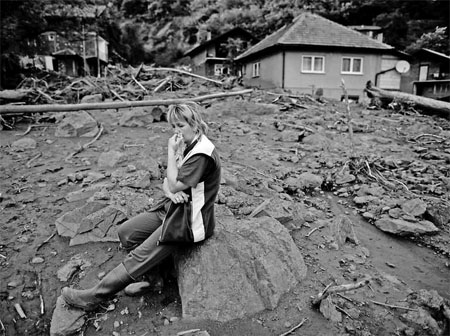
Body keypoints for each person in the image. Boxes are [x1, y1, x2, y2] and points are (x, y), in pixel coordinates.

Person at [61, 102, 221, 311]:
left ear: (195, 124)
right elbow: (167, 183)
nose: (176, 132)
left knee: (141, 254)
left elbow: (173, 182)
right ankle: (154, 279)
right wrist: (169, 191)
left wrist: (170, 154)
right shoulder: (188, 143)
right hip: (173, 207)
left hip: (190, 221)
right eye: (173, 126)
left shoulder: (202, 153)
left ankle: (94, 297)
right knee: (127, 232)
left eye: (180, 126)